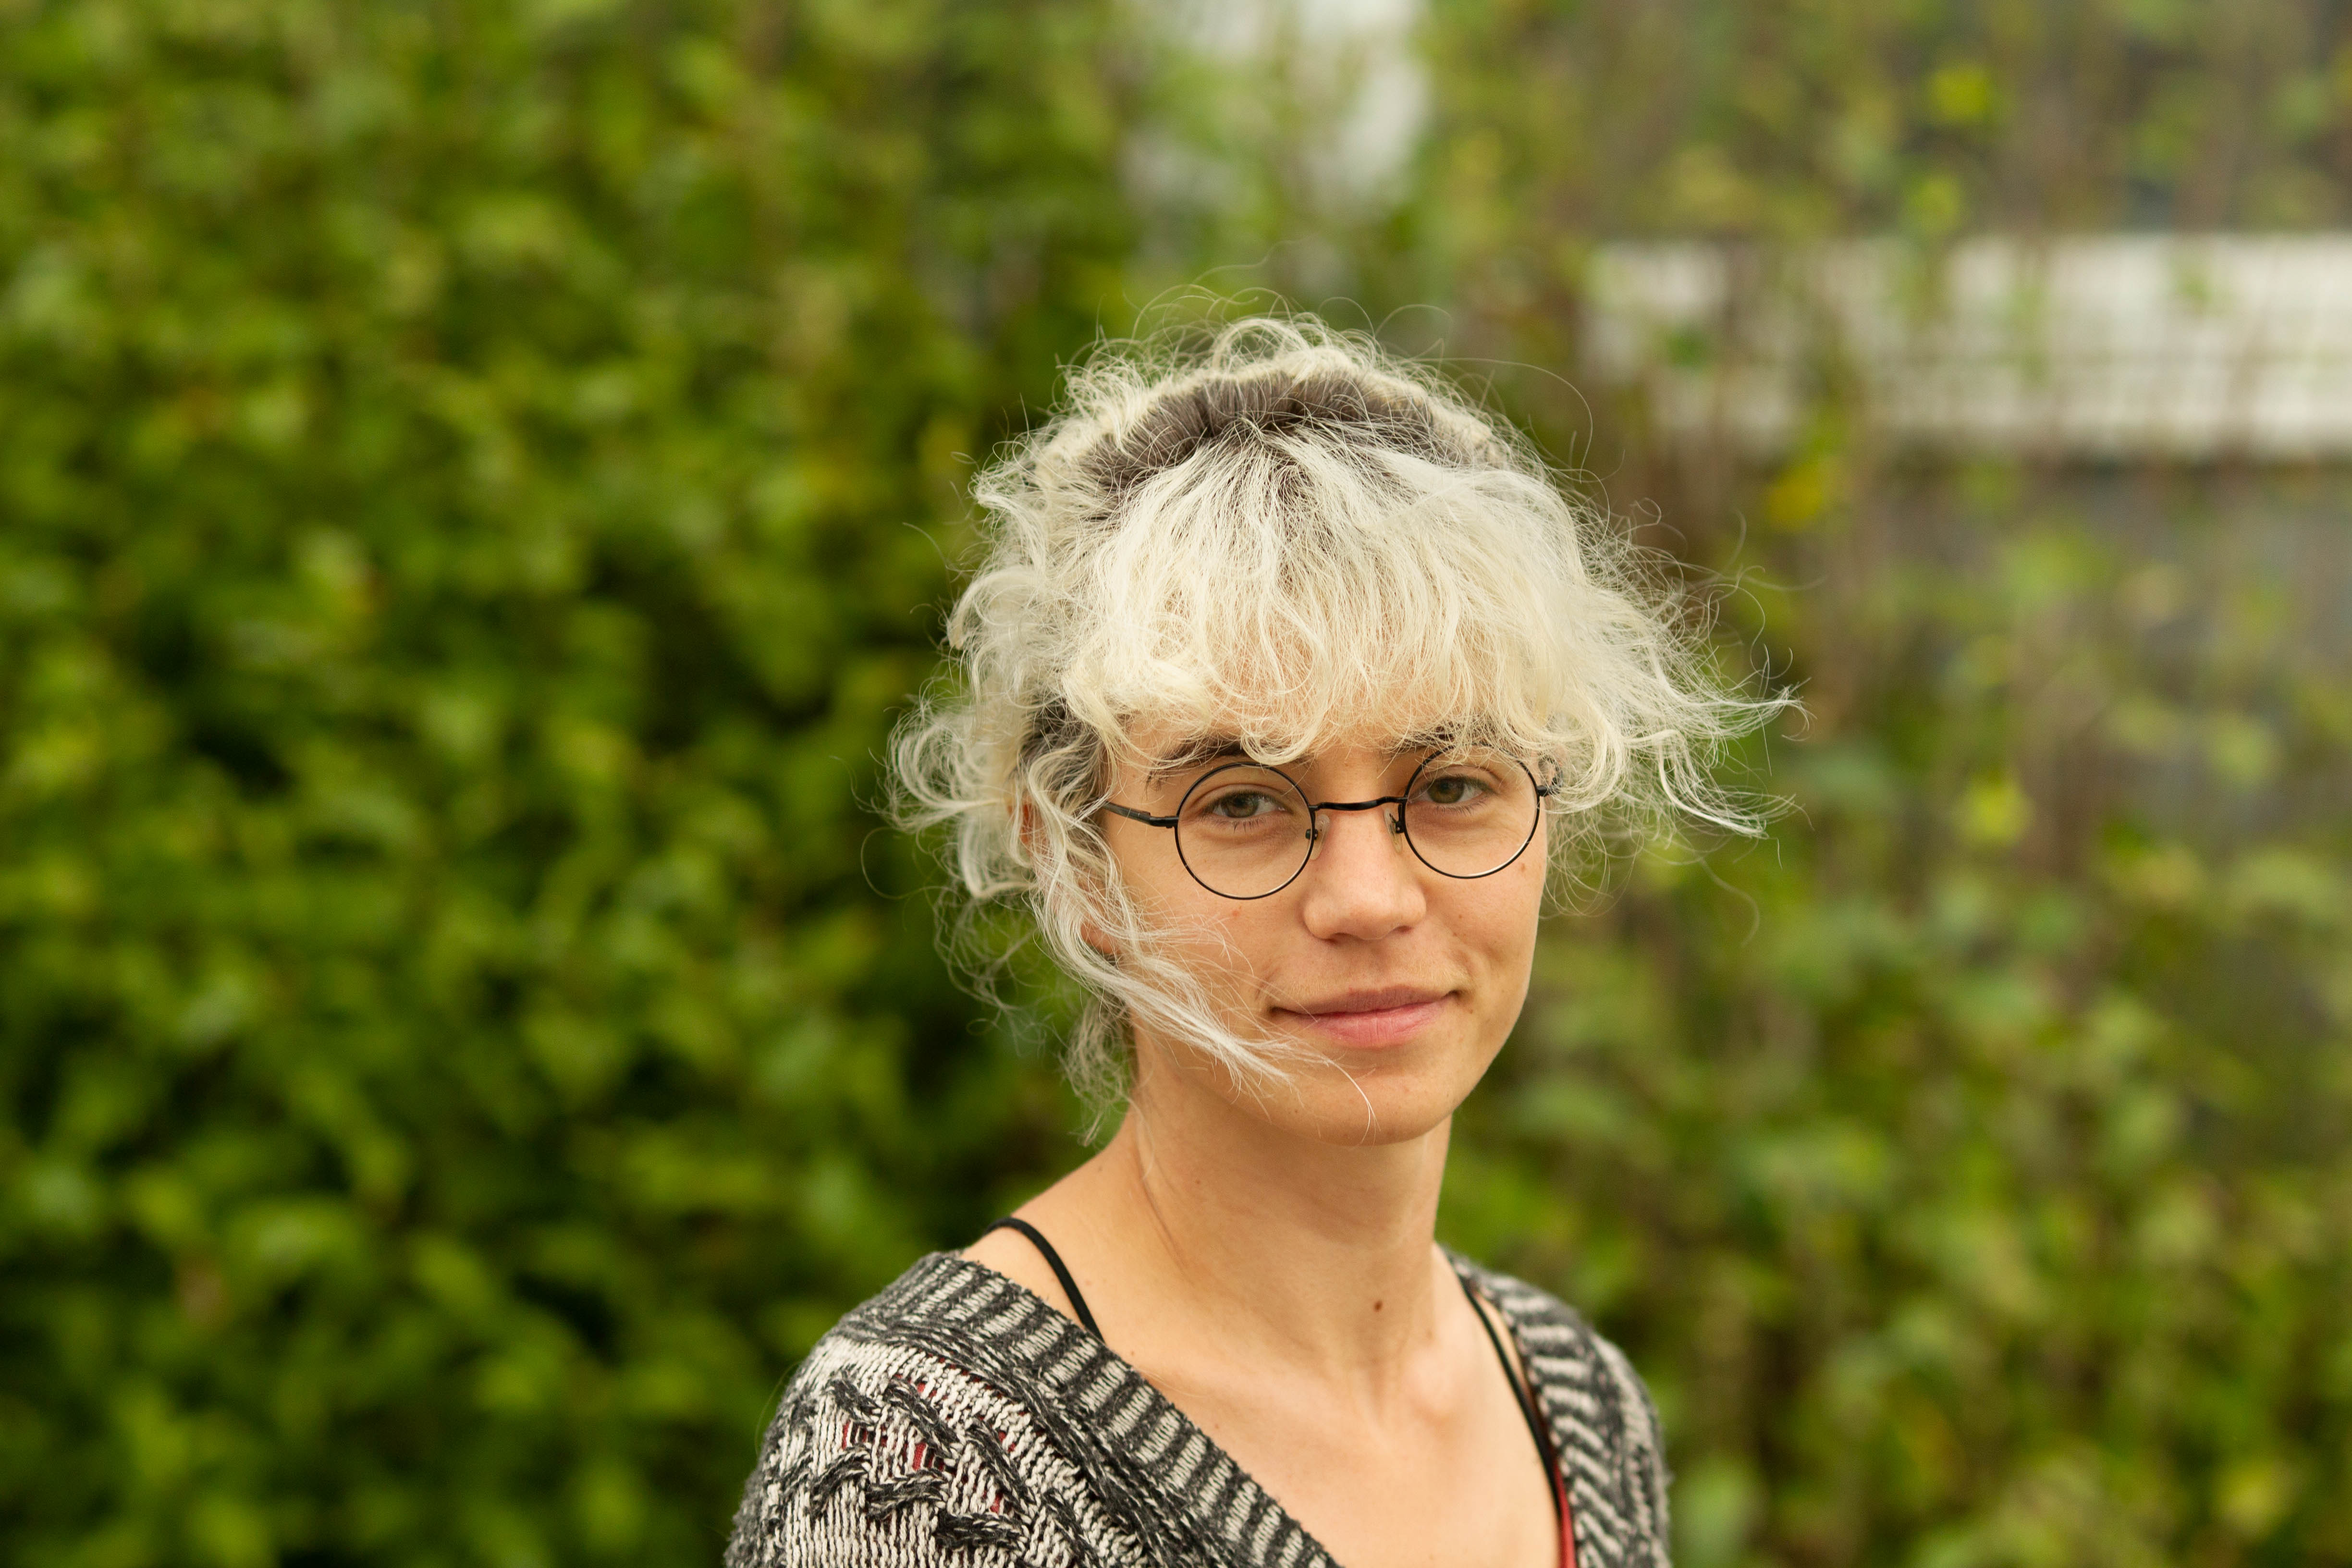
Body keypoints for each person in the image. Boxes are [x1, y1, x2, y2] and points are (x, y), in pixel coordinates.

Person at [727, 318, 1777, 1568]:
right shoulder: (929, 1464)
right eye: (1243, 803)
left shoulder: (1578, 1409)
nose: (1370, 898)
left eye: (1450, 786)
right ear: (1073, 858)